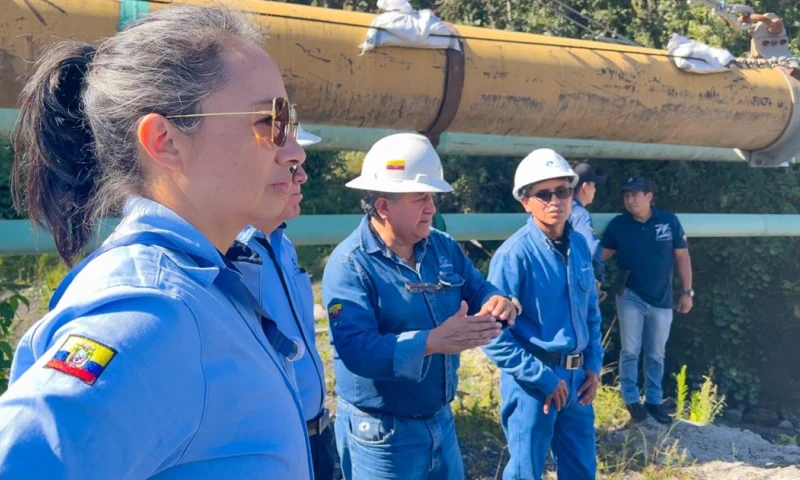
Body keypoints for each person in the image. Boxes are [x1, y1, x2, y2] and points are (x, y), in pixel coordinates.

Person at [0, 6, 313, 478]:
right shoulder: (153, 310)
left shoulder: (206, 284)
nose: (295, 150)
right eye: (271, 121)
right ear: (165, 141)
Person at [322, 133, 518, 480]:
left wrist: (497, 300)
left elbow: (477, 288)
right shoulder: (350, 265)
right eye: (420, 198)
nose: (431, 208)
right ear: (383, 207)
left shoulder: (442, 246)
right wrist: (431, 341)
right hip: (382, 436)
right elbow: (355, 349)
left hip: (440, 421)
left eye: (432, 197)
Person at [484, 149, 603, 480]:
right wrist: (541, 377)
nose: (555, 201)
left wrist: (593, 364)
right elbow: (492, 335)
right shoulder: (514, 256)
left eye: (562, 191)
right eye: (544, 194)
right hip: (534, 382)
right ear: (526, 202)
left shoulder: (579, 246)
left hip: (578, 380)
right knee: (526, 472)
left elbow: (591, 312)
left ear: (572, 194)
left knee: (582, 470)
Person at [227, 128, 337, 479]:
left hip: (317, 433)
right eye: (290, 167)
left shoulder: (282, 245)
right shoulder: (226, 254)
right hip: (271, 447)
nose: (302, 176)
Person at [601, 176, 694, 424]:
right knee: (630, 350)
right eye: (626, 195)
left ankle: (653, 400)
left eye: (635, 194)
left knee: (656, 353)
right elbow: (599, 257)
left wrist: (687, 292)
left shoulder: (668, 220)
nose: (630, 199)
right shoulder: (619, 224)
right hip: (630, 295)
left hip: (662, 298)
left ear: (649, 197)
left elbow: (682, 257)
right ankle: (631, 399)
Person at [569, 163, 608, 285]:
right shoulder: (581, 214)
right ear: (585, 187)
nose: (595, 190)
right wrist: (596, 280)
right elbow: (591, 250)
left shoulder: (559, 210)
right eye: (594, 186)